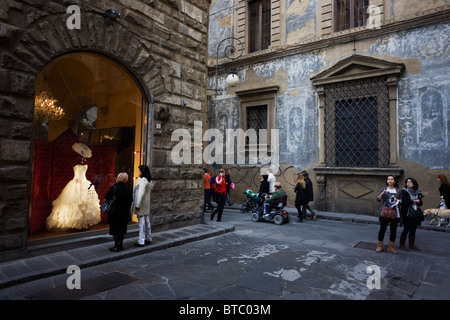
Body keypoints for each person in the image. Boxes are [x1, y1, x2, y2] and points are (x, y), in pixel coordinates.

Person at [105, 172, 133, 252]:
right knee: (122, 230)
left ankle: (116, 246)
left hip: (115, 212)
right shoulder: (127, 189)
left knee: (115, 230)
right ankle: (120, 245)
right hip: (123, 212)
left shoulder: (114, 187)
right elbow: (130, 200)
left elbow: (107, 196)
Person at [376, 175, 400, 254]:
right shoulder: (383, 189)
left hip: (394, 212)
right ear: (386, 181)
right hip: (385, 212)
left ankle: (391, 247)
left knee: (393, 230)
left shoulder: (398, 191)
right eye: (388, 179)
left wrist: (398, 200)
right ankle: (379, 246)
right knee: (382, 230)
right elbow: (378, 200)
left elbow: (401, 201)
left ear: (394, 181)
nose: (390, 180)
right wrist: (382, 193)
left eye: (392, 179)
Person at [399, 177, 423, 251]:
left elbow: (421, 203)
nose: (408, 183)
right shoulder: (404, 191)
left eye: (410, 182)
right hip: (407, 213)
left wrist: (419, 201)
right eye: (407, 182)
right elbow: (402, 203)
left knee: (413, 229)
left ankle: (411, 244)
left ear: (414, 184)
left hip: (415, 213)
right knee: (407, 228)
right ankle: (402, 244)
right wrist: (412, 201)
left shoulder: (417, 192)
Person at [131, 165, 152, 246]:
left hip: (142, 203)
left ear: (142, 171)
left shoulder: (143, 180)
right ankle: (148, 238)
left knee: (142, 222)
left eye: (139, 170)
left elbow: (140, 193)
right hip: (146, 203)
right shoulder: (149, 180)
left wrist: (137, 204)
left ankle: (141, 240)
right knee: (147, 220)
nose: (138, 172)